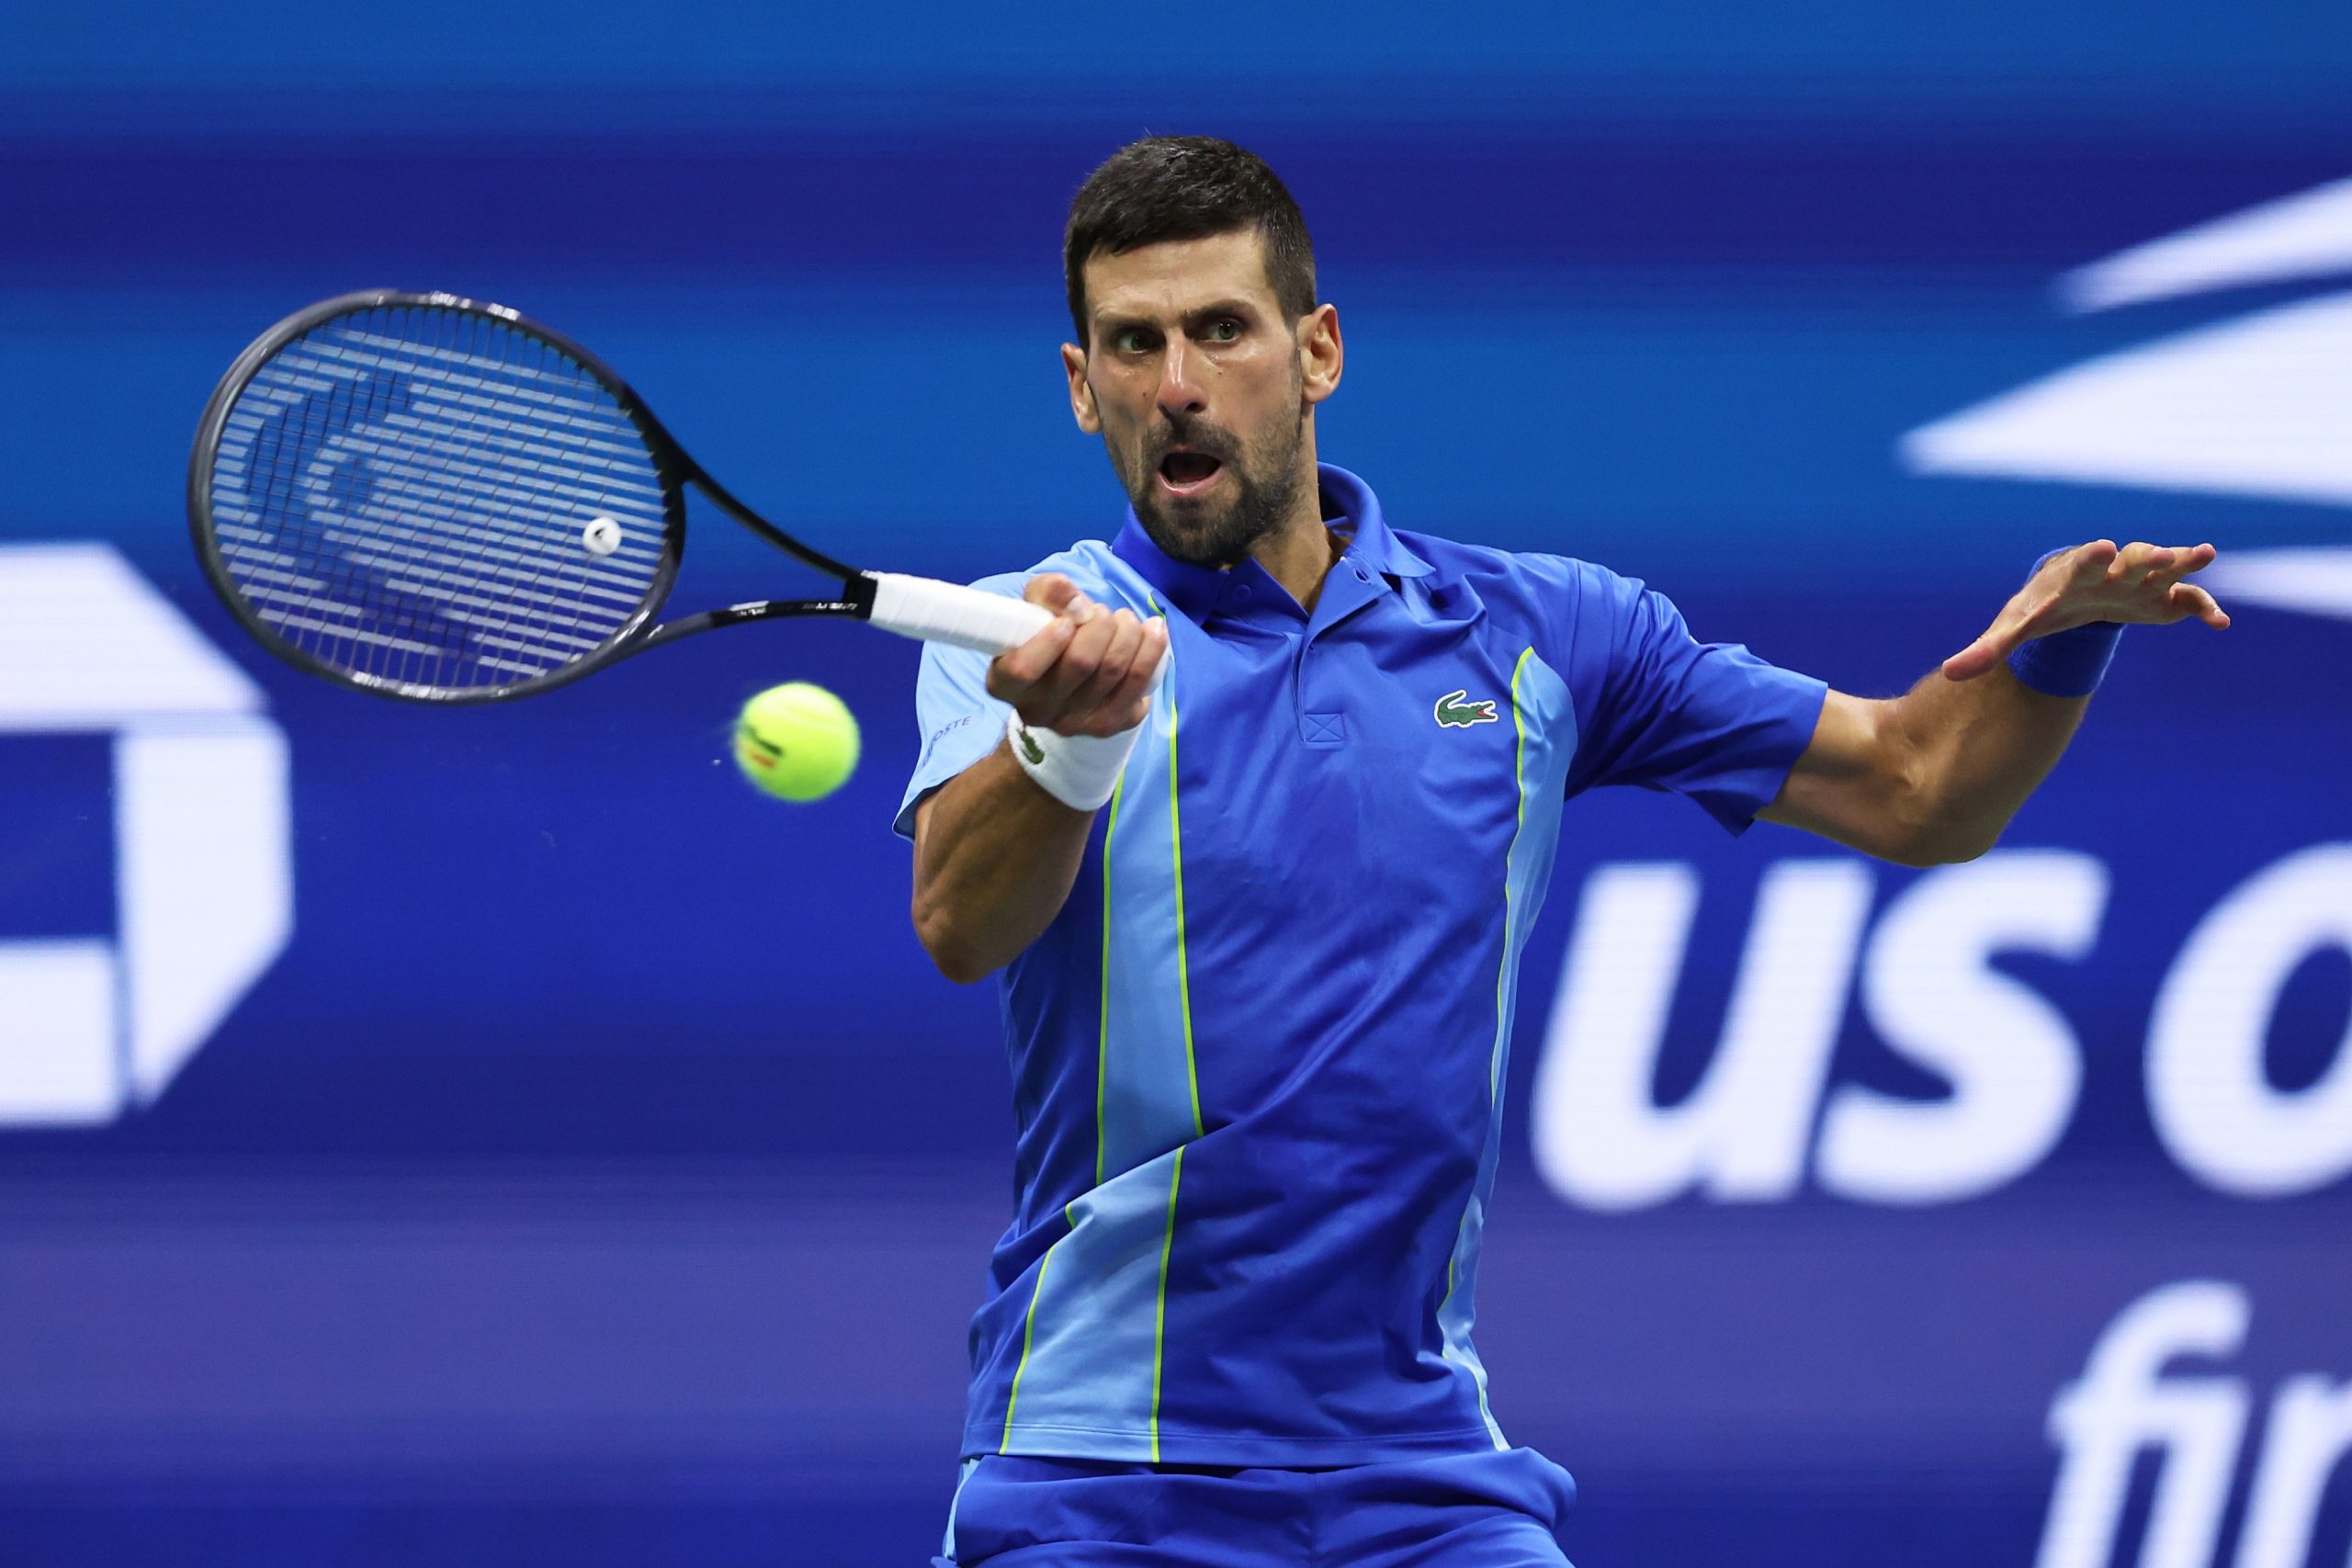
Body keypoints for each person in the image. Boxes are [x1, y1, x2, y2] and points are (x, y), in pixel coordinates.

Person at [894, 136, 2228, 1568]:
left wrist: (2065, 643)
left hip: (1423, 1475)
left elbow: (1919, 789)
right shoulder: (1023, 634)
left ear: (1319, 350)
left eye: (1222, 330)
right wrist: (1067, 743)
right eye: (1132, 344)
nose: (1178, 385)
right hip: (1104, 1470)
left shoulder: (1539, 635)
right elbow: (964, 924)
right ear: (1082, 384)